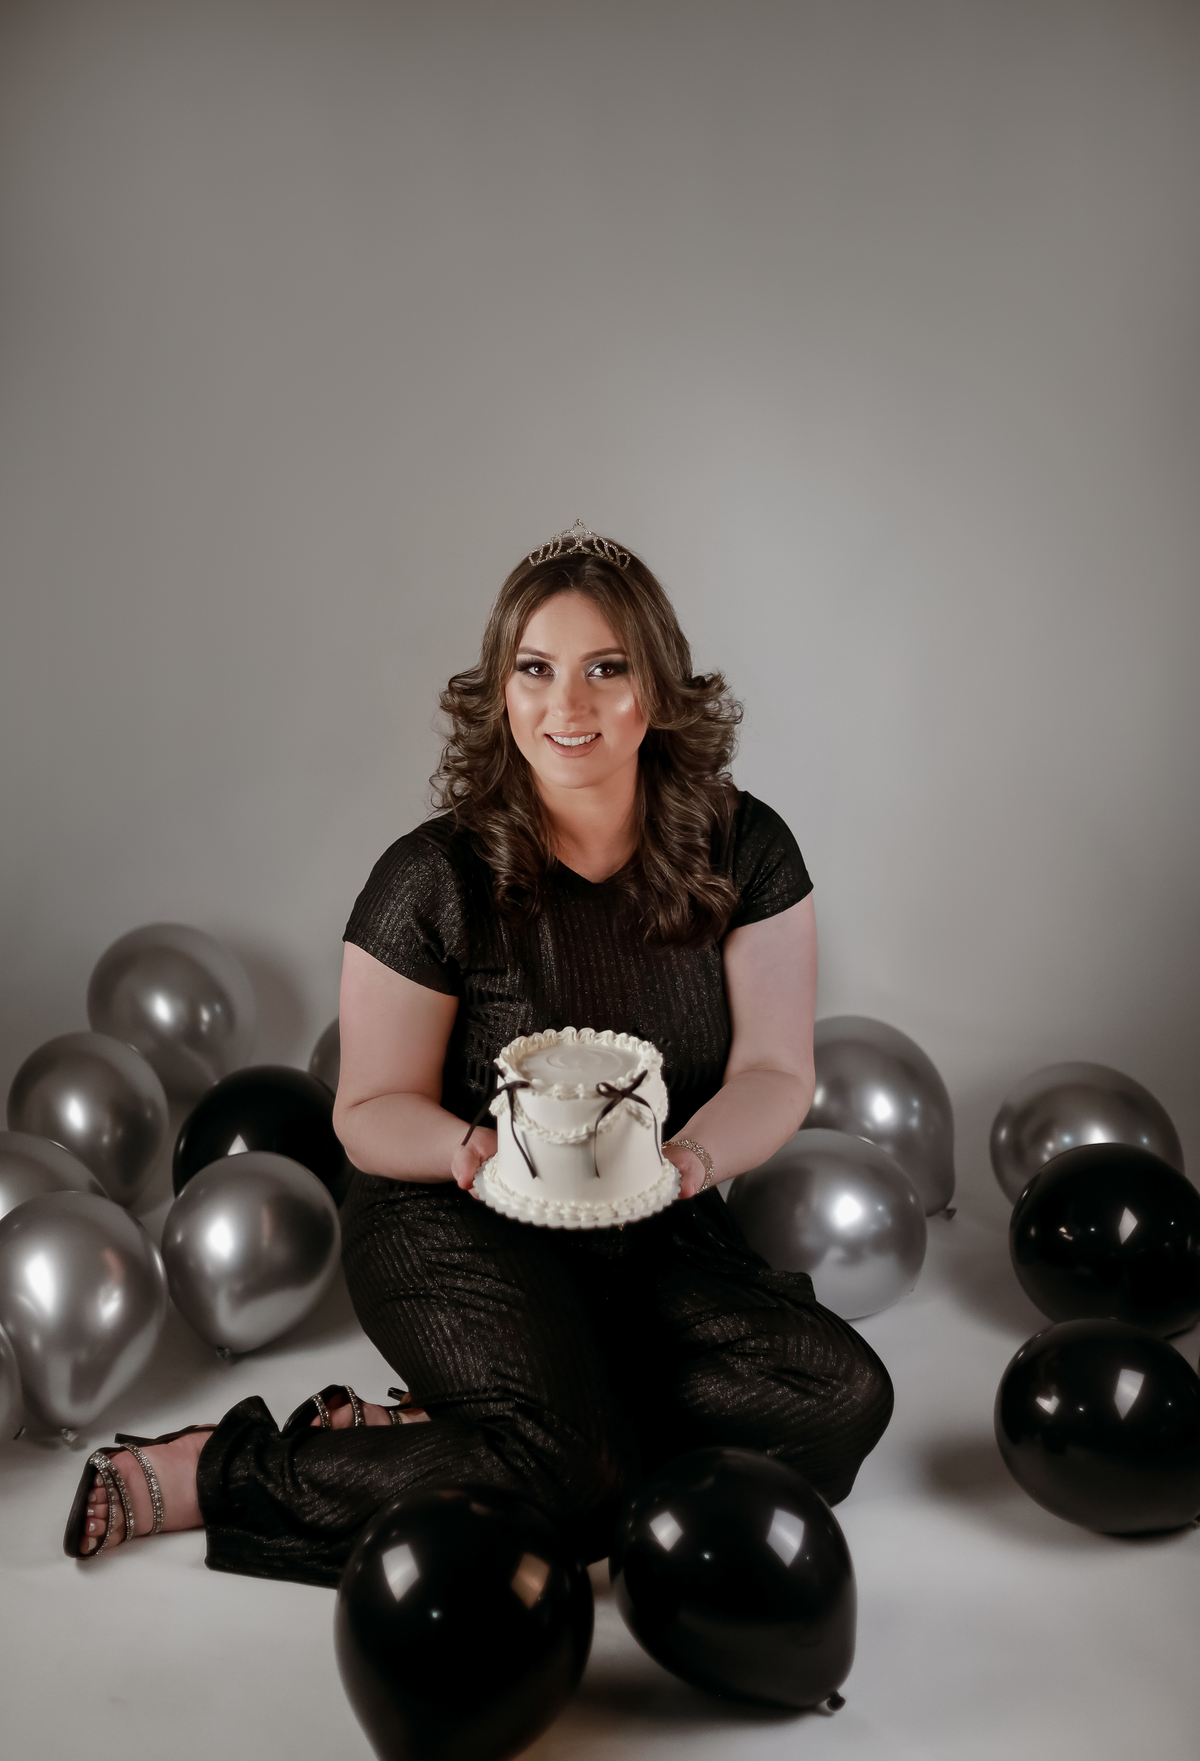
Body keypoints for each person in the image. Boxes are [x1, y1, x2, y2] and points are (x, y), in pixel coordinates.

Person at [66, 522, 893, 1581]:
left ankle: (481, 1428)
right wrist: (474, 1154)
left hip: (646, 1211)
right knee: (575, 1478)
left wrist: (686, 1165)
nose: (568, 705)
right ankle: (224, 1471)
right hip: (450, 1213)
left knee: (837, 1400)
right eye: (535, 669)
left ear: (658, 688)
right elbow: (369, 1108)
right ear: (501, 691)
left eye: (606, 668)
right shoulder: (432, 876)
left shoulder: (748, 848)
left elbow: (775, 1072)